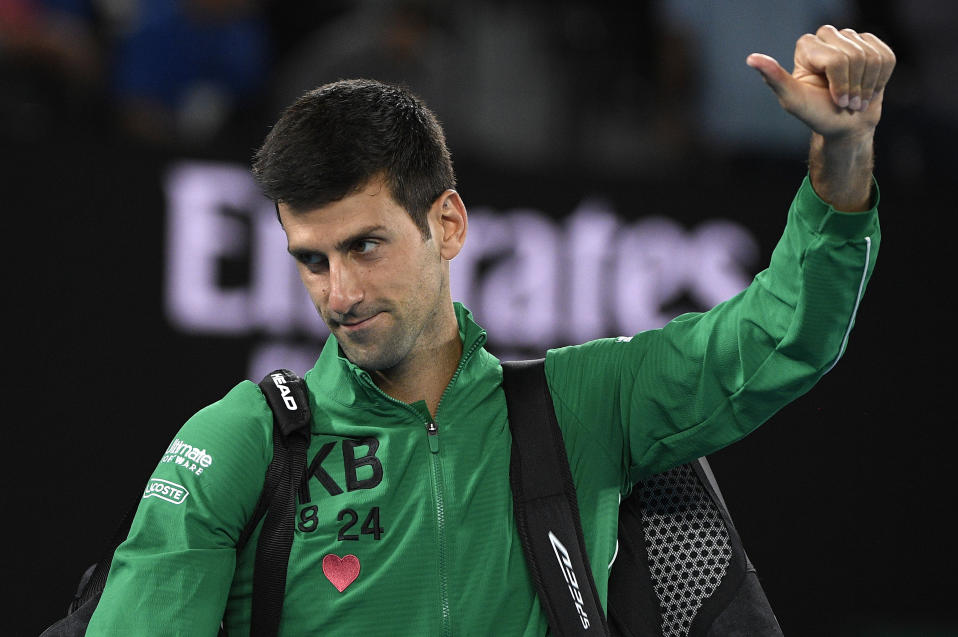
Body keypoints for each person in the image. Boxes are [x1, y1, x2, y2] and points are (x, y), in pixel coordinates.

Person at [85, 25, 895, 636]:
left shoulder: (582, 401)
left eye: (365, 245)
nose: (340, 291)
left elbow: (786, 334)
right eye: (312, 259)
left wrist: (845, 148)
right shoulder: (240, 441)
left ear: (448, 223)